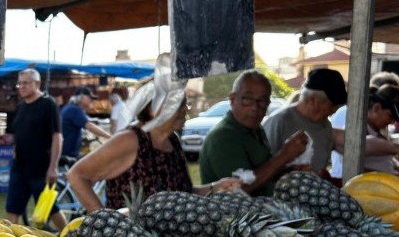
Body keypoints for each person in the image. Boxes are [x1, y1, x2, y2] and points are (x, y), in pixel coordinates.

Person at [67, 80, 241, 213]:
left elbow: (182, 193)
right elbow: (76, 175)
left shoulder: (172, 140)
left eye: (184, 103)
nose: (185, 110)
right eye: (178, 104)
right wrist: (107, 224)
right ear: (152, 109)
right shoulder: (131, 139)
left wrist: (216, 187)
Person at [199, 70, 309, 196]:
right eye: (247, 99)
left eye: (262, 101)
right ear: (232, 99)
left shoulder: (256, 129)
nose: (255, 107)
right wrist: (284, 155)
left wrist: (290, 170)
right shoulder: (222, 137)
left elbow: (264, 173)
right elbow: (238, 191)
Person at [5, 69, 67, 230]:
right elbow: (19, 134)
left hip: (42, 169)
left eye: (26, 83)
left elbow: (57, 137)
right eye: (20, 83)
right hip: (19, 168)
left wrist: (53, 168)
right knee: (12, 209)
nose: (21, 86)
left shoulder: (48, 104)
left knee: (52, 209)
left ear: (37, 83)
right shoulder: (20, 107)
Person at [263, 68, 348, 175]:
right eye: (332, 105)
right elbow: (261, 169)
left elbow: (321, 167)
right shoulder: (280, 121)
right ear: (312, 99)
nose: (335, 110)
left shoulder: (326, 126)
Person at [330, 71, 399, 180]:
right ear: (377, 108)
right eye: (390, 116)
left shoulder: (377, 130)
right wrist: (390, 176)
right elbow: (366, 145)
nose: (391, 122)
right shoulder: (356, 127)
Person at [60, 87, 112, 159]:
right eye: (89, 97)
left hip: (66, 152)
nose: (91, 100)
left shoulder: (70, 107)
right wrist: (110, 137)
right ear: (81, 96)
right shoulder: (75, 110)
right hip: (68, 155)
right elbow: (90, 126)